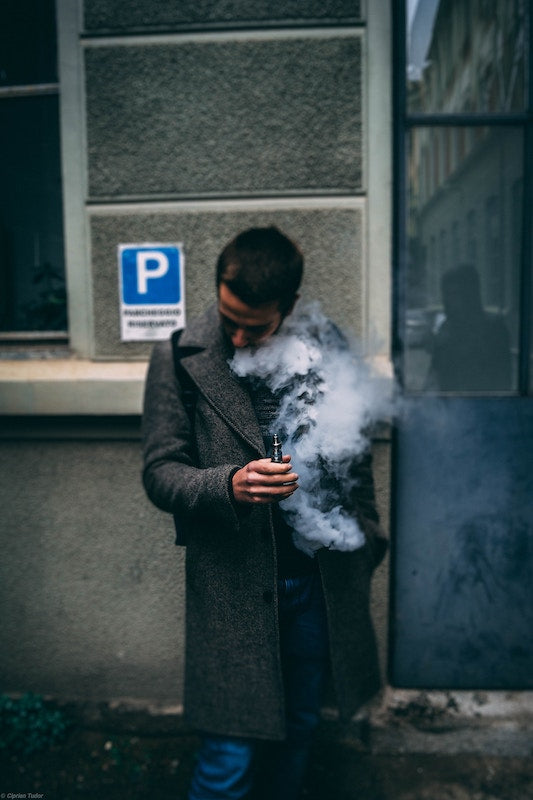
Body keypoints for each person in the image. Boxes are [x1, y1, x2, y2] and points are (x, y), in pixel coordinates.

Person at [142, 226, 387, 799]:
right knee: (228, 757)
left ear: (291, 306)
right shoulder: (179, 356)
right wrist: (228, 485)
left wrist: (369, 537)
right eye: (229, 319)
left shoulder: (328, 348)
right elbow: (160, 473)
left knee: (299, 732)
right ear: (219, 290)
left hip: (318, 585)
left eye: (256, 325)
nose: (239, 335)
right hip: (233, 588)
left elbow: (357, 458)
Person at [426, 264, 512, 392]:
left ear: (469, 295)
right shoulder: (446, 327)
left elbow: (502, 382)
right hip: (447, 407)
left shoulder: (492, 328)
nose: (447, 301)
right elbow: (435, 374)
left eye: (454, 294)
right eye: (445, 294)